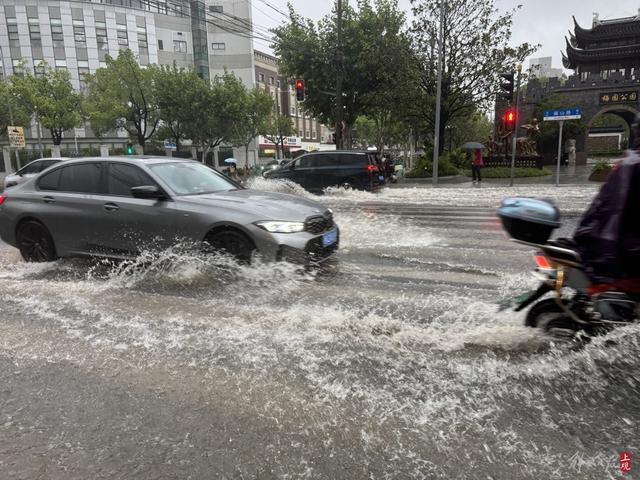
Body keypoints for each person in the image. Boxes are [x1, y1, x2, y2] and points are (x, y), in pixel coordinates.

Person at [572, 113, 640, 293]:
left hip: (606, 245)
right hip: (617, 253)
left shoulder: (628, 163)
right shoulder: (632, 165)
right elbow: (612, 211)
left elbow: (598, 206)